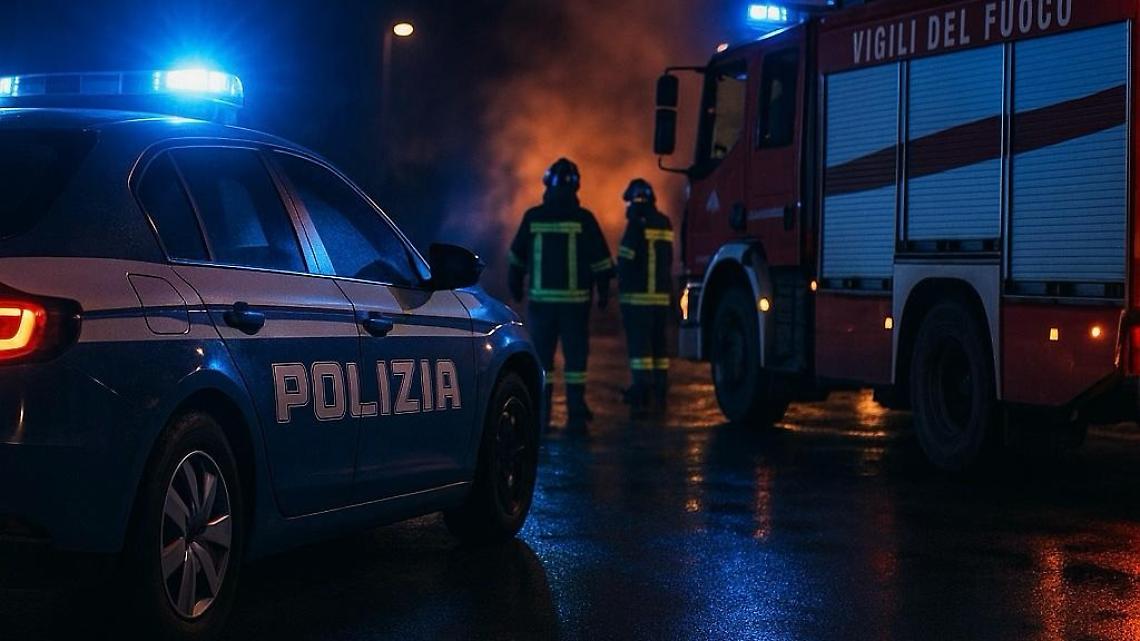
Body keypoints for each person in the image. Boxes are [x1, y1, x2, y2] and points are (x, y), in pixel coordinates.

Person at [509, 158, 614, 426]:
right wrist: (603, 291)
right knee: (576, 362)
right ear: (576, 186)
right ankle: (576, 411)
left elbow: (516, 257)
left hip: (541, 306)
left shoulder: (533, 217)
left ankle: (541, 415)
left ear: (547, 184)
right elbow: (601, 261)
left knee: (542, 361)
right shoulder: (584, 219)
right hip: (575, 307)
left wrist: (515, 285)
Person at [617, 178, 673, 416]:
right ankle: (661, 388)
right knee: (660, 349)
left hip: (637, 301)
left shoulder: (635, 225)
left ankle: (641, 392)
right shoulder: (664, 222)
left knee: (640, 351)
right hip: (661, 300)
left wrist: (616, 282)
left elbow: (625, 260)